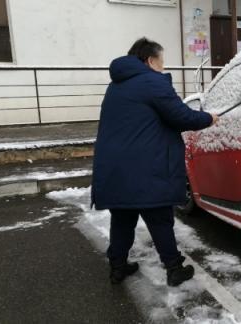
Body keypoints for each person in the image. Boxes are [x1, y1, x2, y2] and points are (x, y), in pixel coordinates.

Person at [91, 37, 217, 286]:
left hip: (115, 168)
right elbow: (181, 116)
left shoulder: (116, 85)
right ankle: (174, 269)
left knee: (122, 219)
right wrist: (208, 118)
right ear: (150, 61)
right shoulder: (152, 81)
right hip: (146, 167)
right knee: (160, 219)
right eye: (162, 62)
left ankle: (117, 267)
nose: (164, 68)